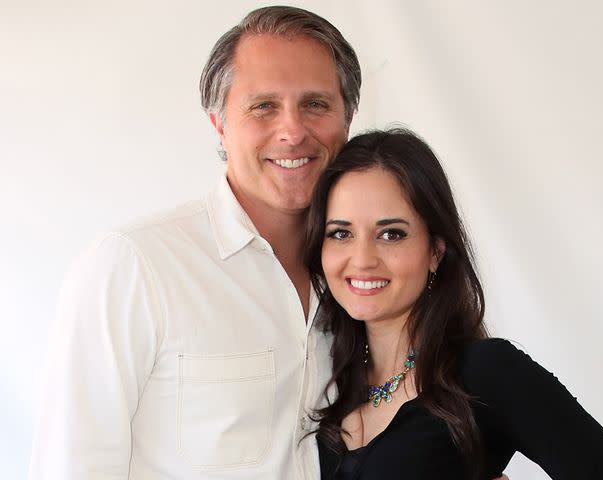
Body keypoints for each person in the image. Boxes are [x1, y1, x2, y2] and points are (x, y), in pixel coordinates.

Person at [28, 6, 360, 480]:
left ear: (346, 118)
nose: (292, 131)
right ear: (219, 124)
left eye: (316, 104)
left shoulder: (367, 277)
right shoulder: (133, 267)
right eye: (263, 105)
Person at [304, 128, 603, 479]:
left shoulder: (486, 373)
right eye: (341, 233)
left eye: (391, 234)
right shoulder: (321, 381)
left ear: (435, 251)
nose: (361, 260)